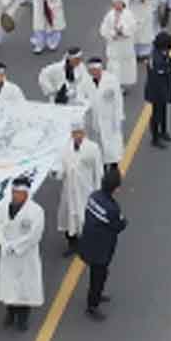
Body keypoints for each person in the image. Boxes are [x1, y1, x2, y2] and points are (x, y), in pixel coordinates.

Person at [0, 175, 46, 331]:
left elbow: (34, 235)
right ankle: (10, 314)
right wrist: (3, 243)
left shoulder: (36, 212)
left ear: (26, 194)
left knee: (24, 290)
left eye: (18, 192)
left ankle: (22, 319)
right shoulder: (3, 207)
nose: (14, 195)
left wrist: (15, 246)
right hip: (8, 256)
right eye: (13, 192)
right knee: (9, 288)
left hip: (25, 257)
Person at [78, 168, 128, 320]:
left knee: (98, 274)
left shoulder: (93, 197)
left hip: (88, 242)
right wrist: (124, 222)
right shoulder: (112, 208)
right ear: (116, 188)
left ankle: (96, 295)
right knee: (98, 276)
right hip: (101, 250)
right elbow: (119, 226)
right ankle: (92, 305)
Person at [56, 125, 105, 256]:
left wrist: (98, 192)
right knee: (69, 218)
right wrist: (56, 173)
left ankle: (89, 243)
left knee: (86, 218)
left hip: (85, 190)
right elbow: (61, 167)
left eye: (79, 133)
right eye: (74, 133)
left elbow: (98, 171)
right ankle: (72, 243)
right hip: (69, 190)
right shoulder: (66, 148)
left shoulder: (93, 148)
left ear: (83, 133)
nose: (76, 136)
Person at [79, 56, 125, 179]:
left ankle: (115, 172)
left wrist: (119, 117)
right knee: (99, 149)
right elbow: (80, 97)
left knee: (113, 149)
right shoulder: (85, 81)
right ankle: (102, 173)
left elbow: (118, 100)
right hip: (94, 120)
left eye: (96, 70)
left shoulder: (111, 80)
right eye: (92, 71)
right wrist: (87, 104)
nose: (94, 73)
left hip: (110, 120)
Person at [144, 31, 171, 148]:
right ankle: (155, 138)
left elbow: (168, 63)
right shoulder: (155, 58)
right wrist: (170, 68)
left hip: (163, 87)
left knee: (163, 110)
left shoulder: (161, 53)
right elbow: (161, 71)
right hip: (156, 89)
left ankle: (163, 131)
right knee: (156, 113)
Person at [98, 0, 137, 87]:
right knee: (114, 64)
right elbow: (104, 28)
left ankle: (124, 84)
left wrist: (123, 31)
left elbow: (133, 27)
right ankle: (114, 84)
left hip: (125, 45)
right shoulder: (110, 15)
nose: (116, 5)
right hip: (114, 45)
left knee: (125, 66)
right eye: (115, 3)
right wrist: (112, 34)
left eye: (119, 3)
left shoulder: (128, 15)